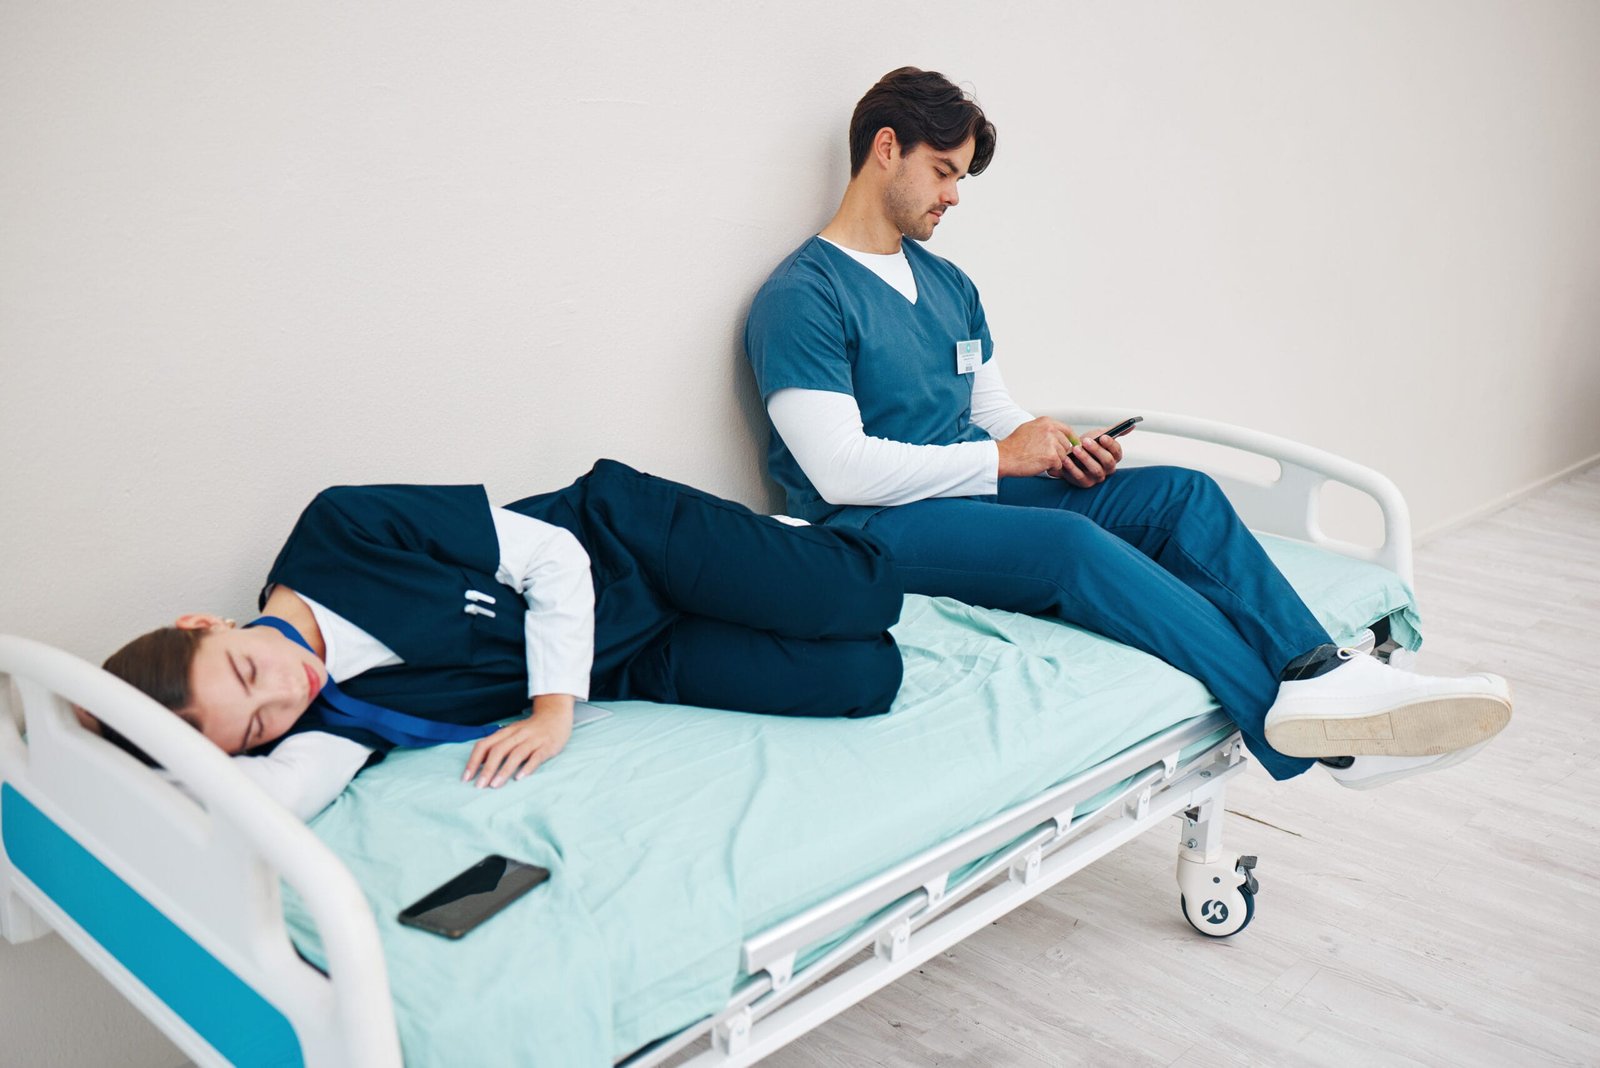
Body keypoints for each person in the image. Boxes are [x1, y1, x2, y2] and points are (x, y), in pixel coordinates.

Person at [742, 66, 1511, 791]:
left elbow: (990, 415)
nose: (955, 195)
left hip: (967, 492)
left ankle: (1323, 674)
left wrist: (1053, 448)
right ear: (886, 150)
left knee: (1181, 495)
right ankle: (1323, 740)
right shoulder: (803, 295)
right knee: (1072, 549)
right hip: (866, 529)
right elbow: (838, 471)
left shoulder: (948, 284)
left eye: (961, 177)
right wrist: (999, 461)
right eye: (944, 170)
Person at [96, 459, 904, 819]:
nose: (287, 689)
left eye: (245, 671)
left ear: (203, 623)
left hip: (627, 544)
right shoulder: (329, 725)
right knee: (867, 680)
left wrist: (552, 712)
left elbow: (551, 556)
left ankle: (786, 536)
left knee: (870, 592)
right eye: (261, 724)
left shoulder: (341, 528)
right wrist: (109, 748)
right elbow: (269, 800)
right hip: (625, 660)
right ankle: (770, 577)